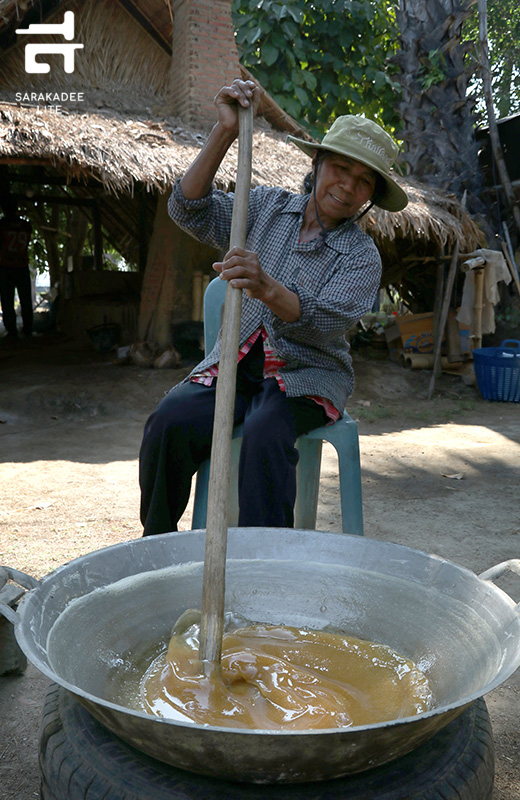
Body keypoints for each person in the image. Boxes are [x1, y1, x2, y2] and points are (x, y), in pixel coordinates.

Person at [139, 78, 407, 536]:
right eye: (341, 168)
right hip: (235, 366)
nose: (348, 187)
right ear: (318, 164)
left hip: (306, 375)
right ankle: (156, 548)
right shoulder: (263, 206)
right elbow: (187, 208)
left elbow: (326, 321)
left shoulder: (361, 256)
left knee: (265, 432)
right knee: (169, 422)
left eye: (364, 182)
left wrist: (266, 287)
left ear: (370, 197)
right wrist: (224, 132)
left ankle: (265, 564)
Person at [0, 199, 33, 340]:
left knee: (7, 301)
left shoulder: (2, 225)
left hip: (6, 266)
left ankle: (12, 331)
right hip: (22, 266)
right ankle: (27, 330)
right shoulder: (26, 226)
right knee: (25, 300)